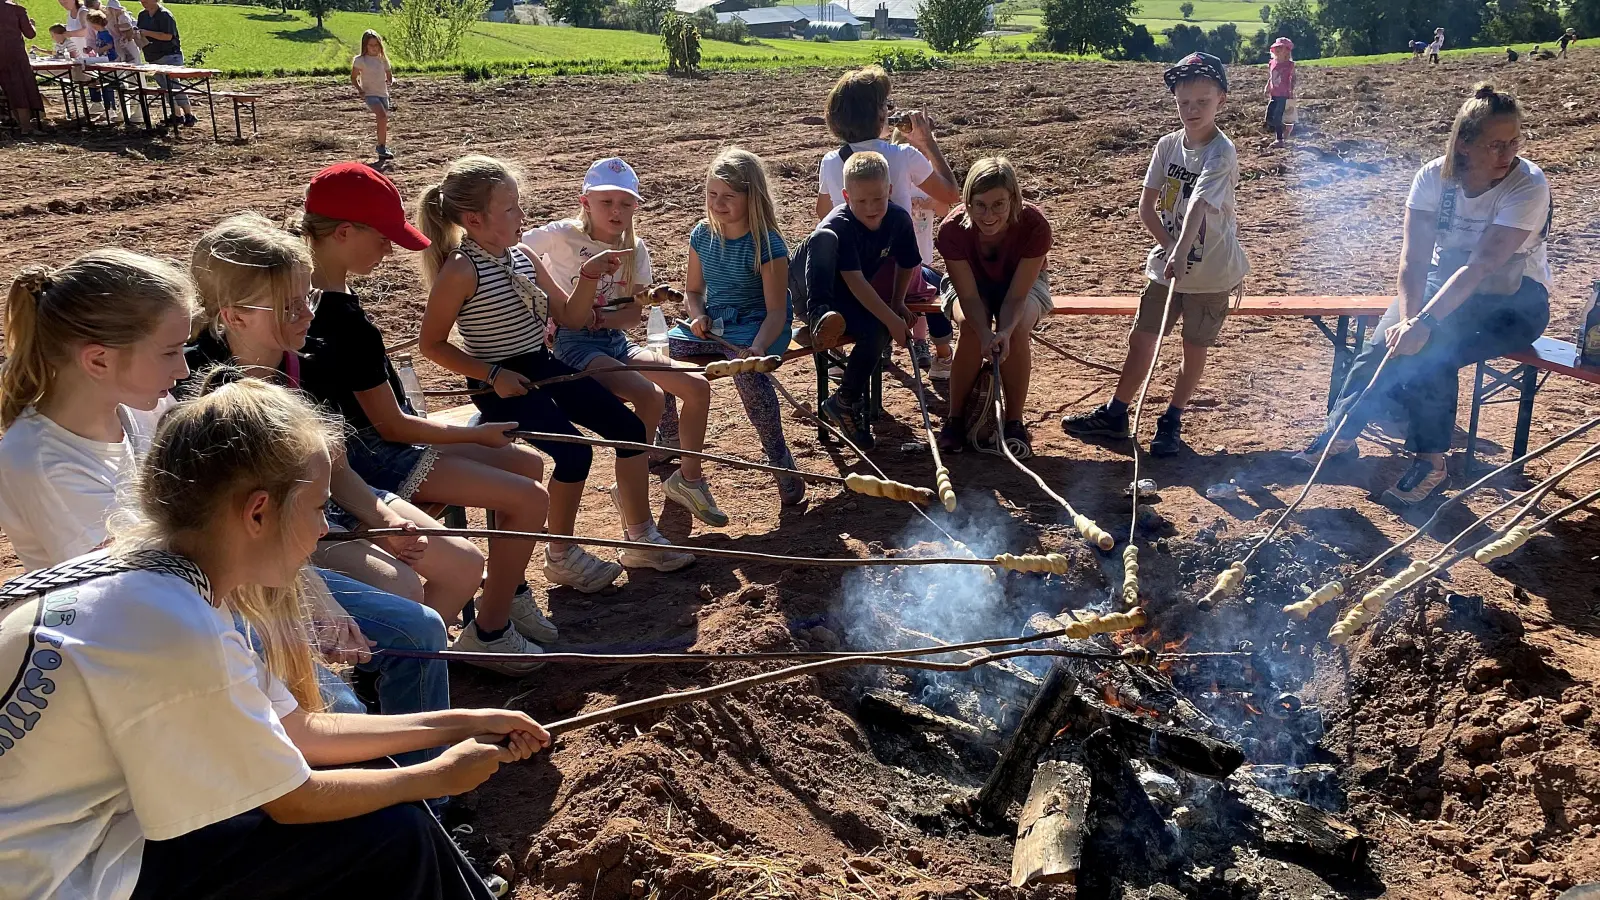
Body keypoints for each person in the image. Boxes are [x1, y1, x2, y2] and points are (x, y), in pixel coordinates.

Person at [0, 376, 548, 900]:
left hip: (85, 838)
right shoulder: (175, 625)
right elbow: (294, 800)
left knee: (374, 794)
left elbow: (298, 730)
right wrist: (436, 776)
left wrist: (463, 722)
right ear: (258, 511)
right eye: (315, 509)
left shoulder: (165, 582)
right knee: (391, 833)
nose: (324, 529)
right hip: (61, 875)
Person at [185, 213, 491, 713]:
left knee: (463, 565)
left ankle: (382, 674)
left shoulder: (300, 361)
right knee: (405, 588)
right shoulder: (202, 390)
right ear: (235, 315)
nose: (308, 314)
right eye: (289, 306)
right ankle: (384, 692)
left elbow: (338, 467)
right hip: (273, 534)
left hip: (325, 505)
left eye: (309, 298)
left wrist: (381, 517)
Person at [299, 161, 560, 674]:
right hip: (374, 458)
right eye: (382, 237)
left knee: (527, 466)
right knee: (530, 497)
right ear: (344, 232)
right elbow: (392, 427)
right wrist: (478, 436)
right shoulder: (343, 323)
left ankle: (507, 590)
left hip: (376, 446)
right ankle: (490, 628)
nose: (389, 249)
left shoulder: (311, 298)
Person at [415, 154, 695, 585]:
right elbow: (430, 344)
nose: (522, 215)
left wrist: (587, 277)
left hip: (540, 365)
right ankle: (560, 554)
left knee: (630, 429)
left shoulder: (521, 255)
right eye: (511, 208)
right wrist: (492, 375)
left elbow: (570, 316)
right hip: (500, 383)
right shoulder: (461, 269)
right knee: (574, 450)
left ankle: (640, 537)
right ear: (474, 220)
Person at [1296, 83, 1551, 508]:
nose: (1508, 154)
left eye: (1513, 142)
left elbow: (1482, 264)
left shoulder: (1527, 185)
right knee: (1382, 343)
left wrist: (1424, 325)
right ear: (1465, 144)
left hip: (1513, 301)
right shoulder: (1434, 177)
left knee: (1434, 350)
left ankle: (1433, 462)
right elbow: (1413, 260)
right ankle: (1340, 436)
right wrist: (1408, 321)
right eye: (1496, 145)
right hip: (1442, 285)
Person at [523, 156, 728, 528]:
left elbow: (633, 315)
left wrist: (600, 317)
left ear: (635, 206)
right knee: (649, 394)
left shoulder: (635, 248)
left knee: (697, 385)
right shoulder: (561, 235)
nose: (616, 211)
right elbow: (511, 250)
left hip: (614, 340)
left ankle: (688, 479)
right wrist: (547, 304)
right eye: (606, 202)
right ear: (585, 201)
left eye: (625, 203)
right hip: (573, 344)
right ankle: (633, 494)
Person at [1063, 53, 1248, 459]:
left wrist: (1180, 252)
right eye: (1184, 103)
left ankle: (1171, 419)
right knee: (1142, 339)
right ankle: (1116, 413)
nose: (1192, 110)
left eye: (1202, 101)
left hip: (1212, 273)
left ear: (1221, 99)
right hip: (1168, 266)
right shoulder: (1167, 147)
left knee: (1193, 349)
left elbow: (1200, 203)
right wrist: (1169, 249)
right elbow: (1147, 207)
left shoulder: (1221, 152)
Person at [665, 148, 805, 505]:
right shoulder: (702, 235)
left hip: (757, 326)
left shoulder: (767, 244)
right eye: (713, 195)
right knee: (659, 359)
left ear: (751, 197)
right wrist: (697, 316)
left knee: (748, 373)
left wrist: (758, 346)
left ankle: (779, 458)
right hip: (717, 324)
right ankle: (667, 438)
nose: (718, 204)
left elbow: (776, 312)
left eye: (729, 196)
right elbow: (693, 292)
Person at [814, 64, 959, 376]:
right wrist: (927, 141)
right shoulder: (902, 155)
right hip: (897, 282)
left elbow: (822, 213)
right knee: (942, 283)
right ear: (878, 115)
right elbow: (950, 194)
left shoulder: (829, 162)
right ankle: (943, 353)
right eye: (885, 105)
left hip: (851, 281)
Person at [795, 151, 921, 449]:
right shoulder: (842, 222)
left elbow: (907, 263)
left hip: (846, 298)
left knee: (876, 330)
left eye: (878, 199)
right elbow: (856, 279)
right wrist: (892, 320)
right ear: (845, 195)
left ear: (889, 191)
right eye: (861, 201)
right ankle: (815, 323)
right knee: (823, 237)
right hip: (809, 290)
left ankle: (844, 400)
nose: (871, 208)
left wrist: (896, 303)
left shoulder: (898, 219)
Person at [934, 157, 1053, 459]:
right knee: (972, 330)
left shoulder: (1035, 226)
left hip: (1021, 284)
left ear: (1014, 199)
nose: (988, 215)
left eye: (998, 204)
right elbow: (970, 297)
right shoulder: (951, 230)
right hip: (971, 285)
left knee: (1017, 331)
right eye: (979, 205)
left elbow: (1016, 296)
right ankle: (955, 419)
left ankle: (1014, 422)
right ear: (967, 203)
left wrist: (1004, 330)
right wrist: (986, 333)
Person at [135, 0, 193, 127]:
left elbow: (167, 36)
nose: (143, 2)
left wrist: (147, 33)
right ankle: (177, 114)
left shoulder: (165, 15)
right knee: (165, 87)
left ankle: (189, 114)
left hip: (169, 55)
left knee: (174, 86)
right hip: (152, 56)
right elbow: (140, 32)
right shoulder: (142, 15)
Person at [0, 0, 41, 134]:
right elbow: (30, 34)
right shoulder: (16, 10)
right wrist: (33, 25)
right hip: (15, 55)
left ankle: (18, 123)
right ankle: (26, 127)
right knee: (20, 88)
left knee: (7, 89)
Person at [352, 29, 393, 161]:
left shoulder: (383, 59)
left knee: (382, 120)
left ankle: (382, 146)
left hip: (383, 94)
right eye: (371, 45)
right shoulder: (360, 60)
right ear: (365, 46)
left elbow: (389, 74)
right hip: (370, 94)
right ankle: (381, 148)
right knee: (382, 116)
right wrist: (360, 90)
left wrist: (391, 80)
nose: (374, 48)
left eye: (376, 45)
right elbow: (353, 78)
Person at [1265, 36, 1296, 147]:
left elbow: (1293, 78)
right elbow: (1271, 77)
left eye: (1281, 48)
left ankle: (1279, 139)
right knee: (1269, 118)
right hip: (1274, 94)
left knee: (1277, 117)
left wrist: (1291, 91)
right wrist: (1267, 86)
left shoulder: (1289, 65)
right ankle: (1287, 127)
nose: (1277, 49)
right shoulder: (1272, 63)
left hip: (1284, 95)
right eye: (1276, 47)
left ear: (1287, 51)